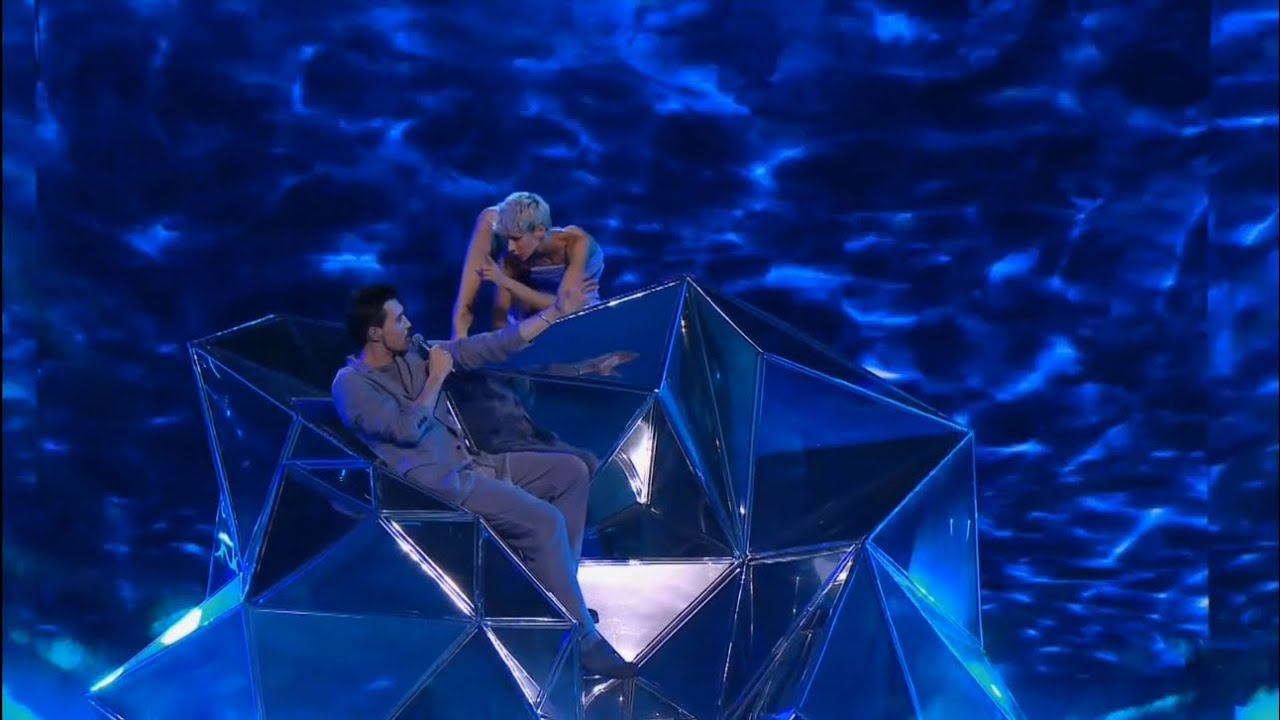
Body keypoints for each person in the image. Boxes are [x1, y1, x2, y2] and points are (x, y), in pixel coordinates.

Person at [331, 280, 636, 679]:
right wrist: (436, 378)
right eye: (399, 320)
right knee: (544, 521)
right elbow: (405, 430)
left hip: (473, 464)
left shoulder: (414, 353)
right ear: (375, 333)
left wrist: (553, 314)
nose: (408, 325)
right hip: (437, 486)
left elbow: (484, 347)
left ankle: (559, 600)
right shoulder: (350, 385)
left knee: (571, 472)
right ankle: (584, 639)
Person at [451, 191, 605, 339]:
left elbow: (565, 306)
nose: (510, 247)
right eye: (508, 239)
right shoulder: (513, 258)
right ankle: (460, 321)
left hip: (581, 310)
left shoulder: (576, 242)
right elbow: (499, 322)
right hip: (535, 314)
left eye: (516, 238)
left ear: (539, 230)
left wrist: (506, 282)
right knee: (488, 217)